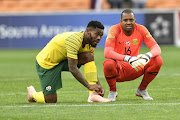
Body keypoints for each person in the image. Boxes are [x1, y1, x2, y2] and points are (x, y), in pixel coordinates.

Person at [27, 21, 111, 103]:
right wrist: (89, 86)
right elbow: (73, 68)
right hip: (47, 64)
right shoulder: (74, 40)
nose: (99, 38)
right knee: (50, 100)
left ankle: (93, 95)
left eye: (101, 35)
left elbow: (91, 65)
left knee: (88, 57)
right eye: (97, 34)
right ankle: (32, 94)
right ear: (88, 31)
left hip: (62, 60)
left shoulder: (91, 44)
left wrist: (98, 85)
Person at [103, 9, 163, 101]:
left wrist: (147, 56)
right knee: (108, 63)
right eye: (125, 20)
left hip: (136, 67)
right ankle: (113, 91)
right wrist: (127, 58)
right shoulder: (114, 29)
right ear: (121, 21)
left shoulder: (141, 29)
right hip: (120, 69)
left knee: (158, 60)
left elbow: (157, 48)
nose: (128, 22)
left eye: (131, 20)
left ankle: (142, 89)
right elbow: (107, 52)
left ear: (135, 20)